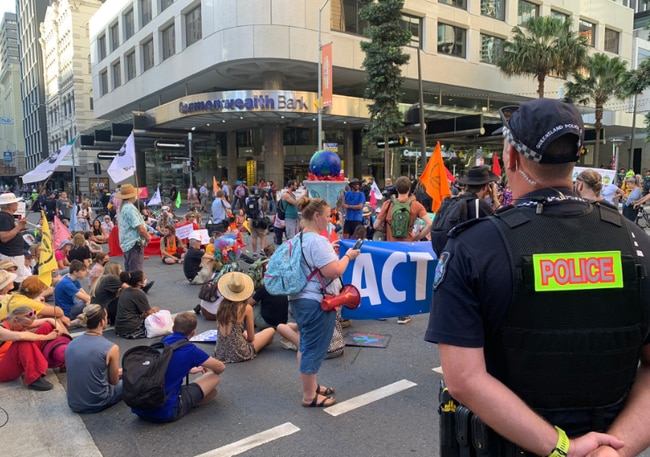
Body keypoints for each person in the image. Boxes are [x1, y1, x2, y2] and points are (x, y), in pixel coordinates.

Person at [425, 98, 650, 456]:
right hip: (608, 443)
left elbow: (464, 380)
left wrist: (563, 449)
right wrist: (616, 450)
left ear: (511, 157)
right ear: (575, 156)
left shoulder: (472, 248)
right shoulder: (636, 241)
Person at [288, 196, 360, 407]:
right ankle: (309, 396)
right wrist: (348, 256)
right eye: (328, 216)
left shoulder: (299, 238)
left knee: (306, 344)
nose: (331, 220)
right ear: (317, 216)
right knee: (313, 347)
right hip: (316, 301)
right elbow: (334, 270)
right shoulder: (318, 241)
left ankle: (312, 386)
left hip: (300, 299)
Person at [132, 312, 226, 423]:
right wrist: (191, 364)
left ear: (173, 328)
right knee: (214, 379)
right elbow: (220, 367)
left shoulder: (160, 342)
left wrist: (187, 368)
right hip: (166, 412)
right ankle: (186, 403)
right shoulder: (190, 350)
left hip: (140, 407)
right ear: (192, 333)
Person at [374, 176, 433, 325]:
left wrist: (387, 229)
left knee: (386, 277)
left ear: (396, 189)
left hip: (390, 247)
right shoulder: (416, 205)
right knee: (405, 279)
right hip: (407, 246)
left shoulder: (388, 204)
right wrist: (417, 236)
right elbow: (430, 224)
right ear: (409, 189)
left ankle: (382, 311)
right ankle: (403, 315)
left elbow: (375, 226)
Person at [430, 165, 499, 257]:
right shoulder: (480, 204)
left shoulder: (453, 201)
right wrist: (495, 198)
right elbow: (502, 223)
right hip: (468, 260)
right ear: (485, 187)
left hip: (449, 257)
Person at [65, 304, 123, 413]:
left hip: (74, 402)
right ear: (102, 322)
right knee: (133, 378)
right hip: (97, 402)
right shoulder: (111, 348)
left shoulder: (71, 344)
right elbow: (114, 381)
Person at [213, 272, 275, 363]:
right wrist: (245, 335)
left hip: (220, 352)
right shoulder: (246, 308)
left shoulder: (220, 306)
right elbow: (251, 338)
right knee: (270, 331)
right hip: (239, 352)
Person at [0, 307, 64, 391]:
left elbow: (48, 320)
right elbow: (21, 336)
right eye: (24, 326)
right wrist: (46, 337)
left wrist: (58, 327)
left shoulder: (15, 322)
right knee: (24, 341)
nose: (25, 328)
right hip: (2, 368)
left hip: (13, 359)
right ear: (15, 319)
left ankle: (61, 359)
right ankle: (34, 378)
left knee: (47, 326)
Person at [0, 275, 71, 325]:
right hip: (9, 333)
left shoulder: (13, 296)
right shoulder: (26, 302)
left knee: (49, 316)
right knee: (53, 318)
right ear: (39, 292)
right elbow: (58, 312)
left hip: (6, 326)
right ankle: (65, 341)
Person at [116, 184, 151, 272]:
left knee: (129, 269)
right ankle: (137, 285)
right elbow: (140, 228)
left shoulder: (122, 207)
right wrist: (148, 237)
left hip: (126, 243)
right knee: (136, 271)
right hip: (134, 243)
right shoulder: (130, 208)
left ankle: (131, 284)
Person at [114, 270, 158, 339]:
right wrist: (154, 310)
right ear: (139, 283)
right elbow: (149, 312)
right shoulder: (138, 293)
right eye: (144, 278)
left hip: (119, 326)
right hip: (131, 326)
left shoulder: (125, 290)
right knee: (157, 324)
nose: (145, 279)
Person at [0, 193, 28, 283]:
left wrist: (18, 229)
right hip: (11, 256)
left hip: (14, 255)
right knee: (15, 280)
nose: (17, 204)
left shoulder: (7, 217)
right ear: (9, 206)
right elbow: (4, 237)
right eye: (15, 203)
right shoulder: (4, 217)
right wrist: (19, 227)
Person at [245, 187, 269, 257]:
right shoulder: (260, 199)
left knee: (253, 237)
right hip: (260, 220)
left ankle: (254, 253)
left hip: (252, 219)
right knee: (263, 236)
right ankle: (262, 249)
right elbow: (264, 208)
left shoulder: (247, 199)